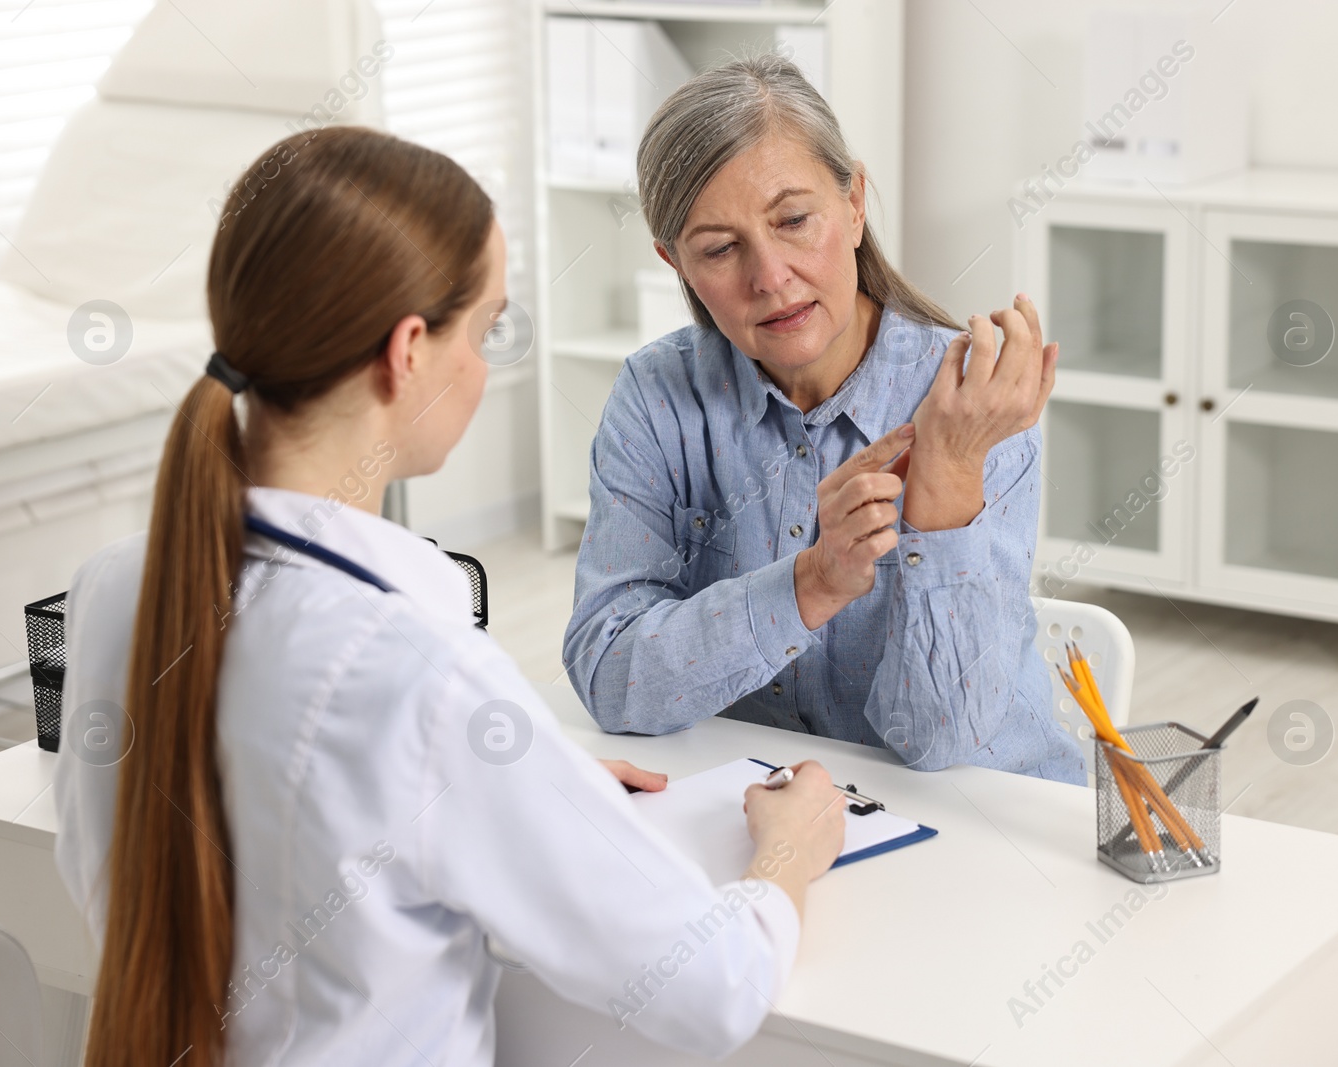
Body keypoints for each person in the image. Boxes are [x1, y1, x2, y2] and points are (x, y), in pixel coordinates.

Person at [52, 126, 845, 1067]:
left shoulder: (111, 590)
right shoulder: (415, 675)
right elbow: (713, 986)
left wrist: (511, 793)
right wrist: (792, 847)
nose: (482, 364)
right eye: (486, 329)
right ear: (409, 351)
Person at [563, 55, 1085, 783]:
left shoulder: (971, 403)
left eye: (794, 220)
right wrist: (811, 582)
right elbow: (611, 674)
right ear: (675, 262)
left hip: (988, 815)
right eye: (719, 248)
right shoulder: (656, 397)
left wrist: (950, 477)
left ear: (855, 203)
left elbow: (944, 739)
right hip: (776, 810)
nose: (770, 277)